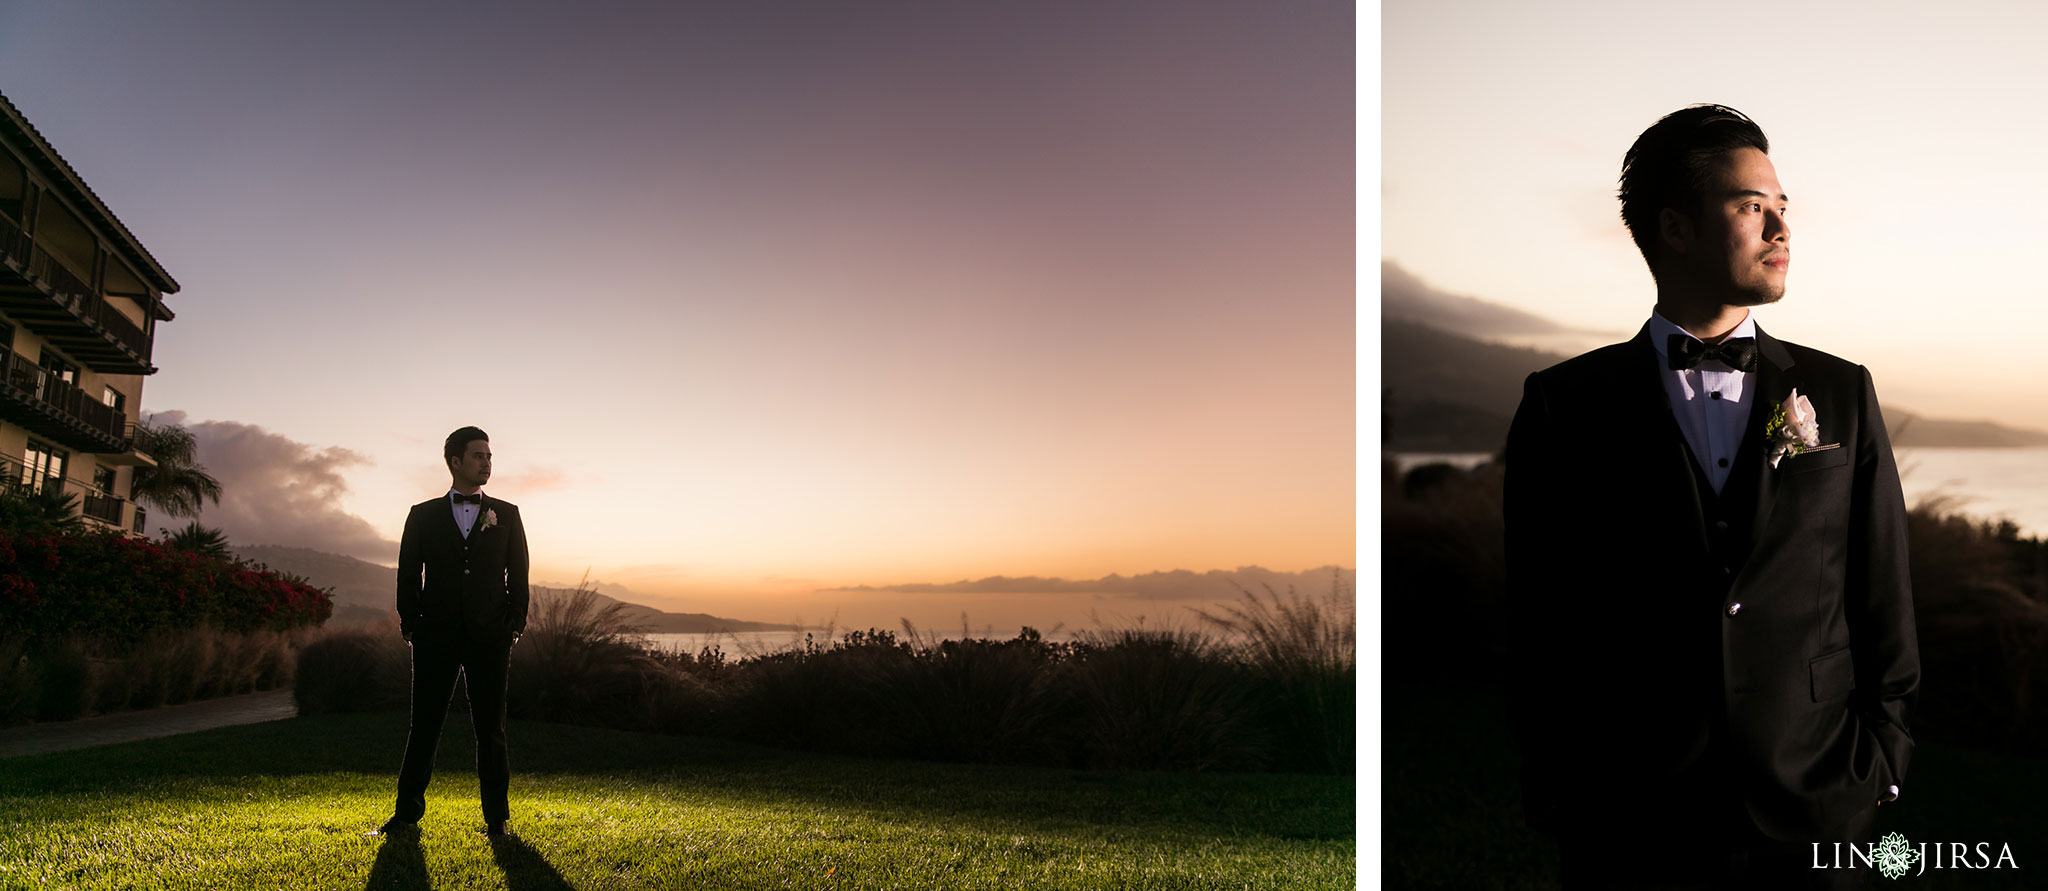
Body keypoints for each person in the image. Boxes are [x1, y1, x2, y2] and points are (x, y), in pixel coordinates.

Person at [1502, 105, 1918, 889]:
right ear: (1676, 228)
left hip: (1820, 802)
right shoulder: (1565, 404)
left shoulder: (1842, 390)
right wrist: (1561, 788)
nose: (1781, 229)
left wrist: (1884, 758)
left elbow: (1882, 592)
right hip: (1633, 814)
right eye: (1751, 206)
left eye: (1783, 208)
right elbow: (1539, 619)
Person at [370, 426, 531, 840]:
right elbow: (408, 574)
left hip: (490, 637)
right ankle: (405, 816)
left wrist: (513, 623)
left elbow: (520, 572)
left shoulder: (507, 514)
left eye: (489, 456)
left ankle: (497, 820)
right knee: (423, 726)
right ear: (455, 462)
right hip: (434, 637)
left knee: (491, 730)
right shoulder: (421, 515)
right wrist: (412, 624)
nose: (487, 462)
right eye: (478, 455)